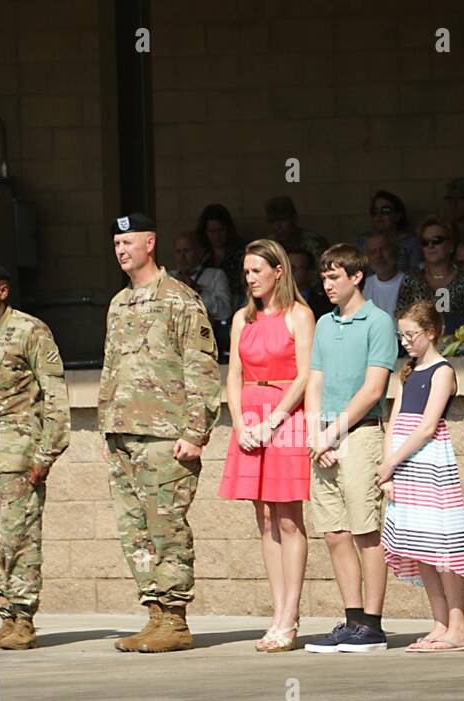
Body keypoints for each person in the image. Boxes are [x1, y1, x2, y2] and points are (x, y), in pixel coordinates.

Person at [100, 214, 222, 653]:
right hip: (124, 434)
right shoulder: (119, 303)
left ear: (150, 242)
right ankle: (154, 614)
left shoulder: (179, 300)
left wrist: (195, 431)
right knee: (135, 532)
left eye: (128, 241)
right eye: (116, 243)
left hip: (165, 436)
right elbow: (112, 367)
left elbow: (202, 368)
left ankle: (175, 619)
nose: (121, 250)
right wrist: (108, 425)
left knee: (167, 528)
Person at [0, 262, 70, 651]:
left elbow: (55, 394)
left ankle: (23, 621)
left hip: (16, 458)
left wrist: (47, 452)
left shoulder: (30, 330)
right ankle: (4, 616)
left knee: (19, 542)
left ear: (3, 291)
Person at [218, 239, 315, 652]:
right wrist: (240, 422)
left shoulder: (300, 314)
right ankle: (276, 612)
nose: (250, 278)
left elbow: (306, 373)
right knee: (264, 516)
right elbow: (234, 374)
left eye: (257, 270)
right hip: (251, 413)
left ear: (279, 271)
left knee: (288, 515)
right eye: (246, 271)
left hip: (286, 414)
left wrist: (277, 418)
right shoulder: (243, 317)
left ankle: (290, 615)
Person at [302, 243, 396, 653]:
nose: (327, 285)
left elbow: (374, 387)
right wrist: (314, 434)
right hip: (324, 439)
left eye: (334, 276)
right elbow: (315, 382)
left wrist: (334, 432)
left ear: (357, 276)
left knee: (365, 530)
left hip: (359, 434)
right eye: (323, 277)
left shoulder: (378, 322)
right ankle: (351, 618)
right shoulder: (324, 323)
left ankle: (372, 624)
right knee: (335, 532)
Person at [378, 299, 464, 653]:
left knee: (442, 546)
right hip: (403, 464)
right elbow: (395, 420)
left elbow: (427, 426)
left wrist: (392, 462)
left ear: (430, 333)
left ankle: (458, 626)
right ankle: (439, 623)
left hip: (428, 462)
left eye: (411, 334)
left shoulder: (442, 371)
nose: (405, 341)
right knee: (421, 547)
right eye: (400, 335)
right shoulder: (408, 371)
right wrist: (388, 465)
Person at [395, 216, 464, 338]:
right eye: (425, 242)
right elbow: (401, 317)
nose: (430, 246)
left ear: (451, 244)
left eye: (437, 240)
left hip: (459, 351)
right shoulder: (412, 280)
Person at [172, 230, 233, 344]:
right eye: (178, 252)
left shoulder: (215, 275)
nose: (182, 257)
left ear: (199, 252)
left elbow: (225, 312)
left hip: (206, 341)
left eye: (187, 251)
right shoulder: (168, 278)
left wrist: (197, 289)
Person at [358, 190, 420, 272]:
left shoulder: (411, 243)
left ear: (397, 216)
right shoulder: (362, 241)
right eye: (375, 211)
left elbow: (416, 273)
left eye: (385, 211)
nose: (379, 215)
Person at [195, 203, 246, 301]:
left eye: (221, 230)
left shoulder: (241, 253)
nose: (217, 236)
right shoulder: (201, 256)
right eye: (212, 231)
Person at [265, 196, 328, 260]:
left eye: (282, 220)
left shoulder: (313, 243)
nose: (277, 226)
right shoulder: (269, 245)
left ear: (294, 218)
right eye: (272, 221)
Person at [362, 231, 404, 319]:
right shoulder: (362, 287)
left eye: (384, 249)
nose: (379, 256)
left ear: (395, 251)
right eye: (373, 252)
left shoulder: (411, 283)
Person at [289, 247, 332, 319]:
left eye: (294, 267)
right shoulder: (274, 302)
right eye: (288, 267)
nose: (290, 271)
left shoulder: (325, 305)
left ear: (310, 273)